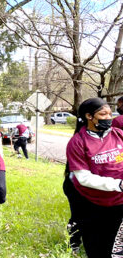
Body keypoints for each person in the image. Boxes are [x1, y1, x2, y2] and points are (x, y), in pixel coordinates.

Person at [66, 97, 123, 257]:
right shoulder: (78, 142)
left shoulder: (119, 134)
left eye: (110, 114)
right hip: (92, 205)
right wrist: (118, 184)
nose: (108, 118)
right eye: (103, 114)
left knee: (117, 250)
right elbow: (83, 178)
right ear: (89, 116)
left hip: (119, 203)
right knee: (98, 248)